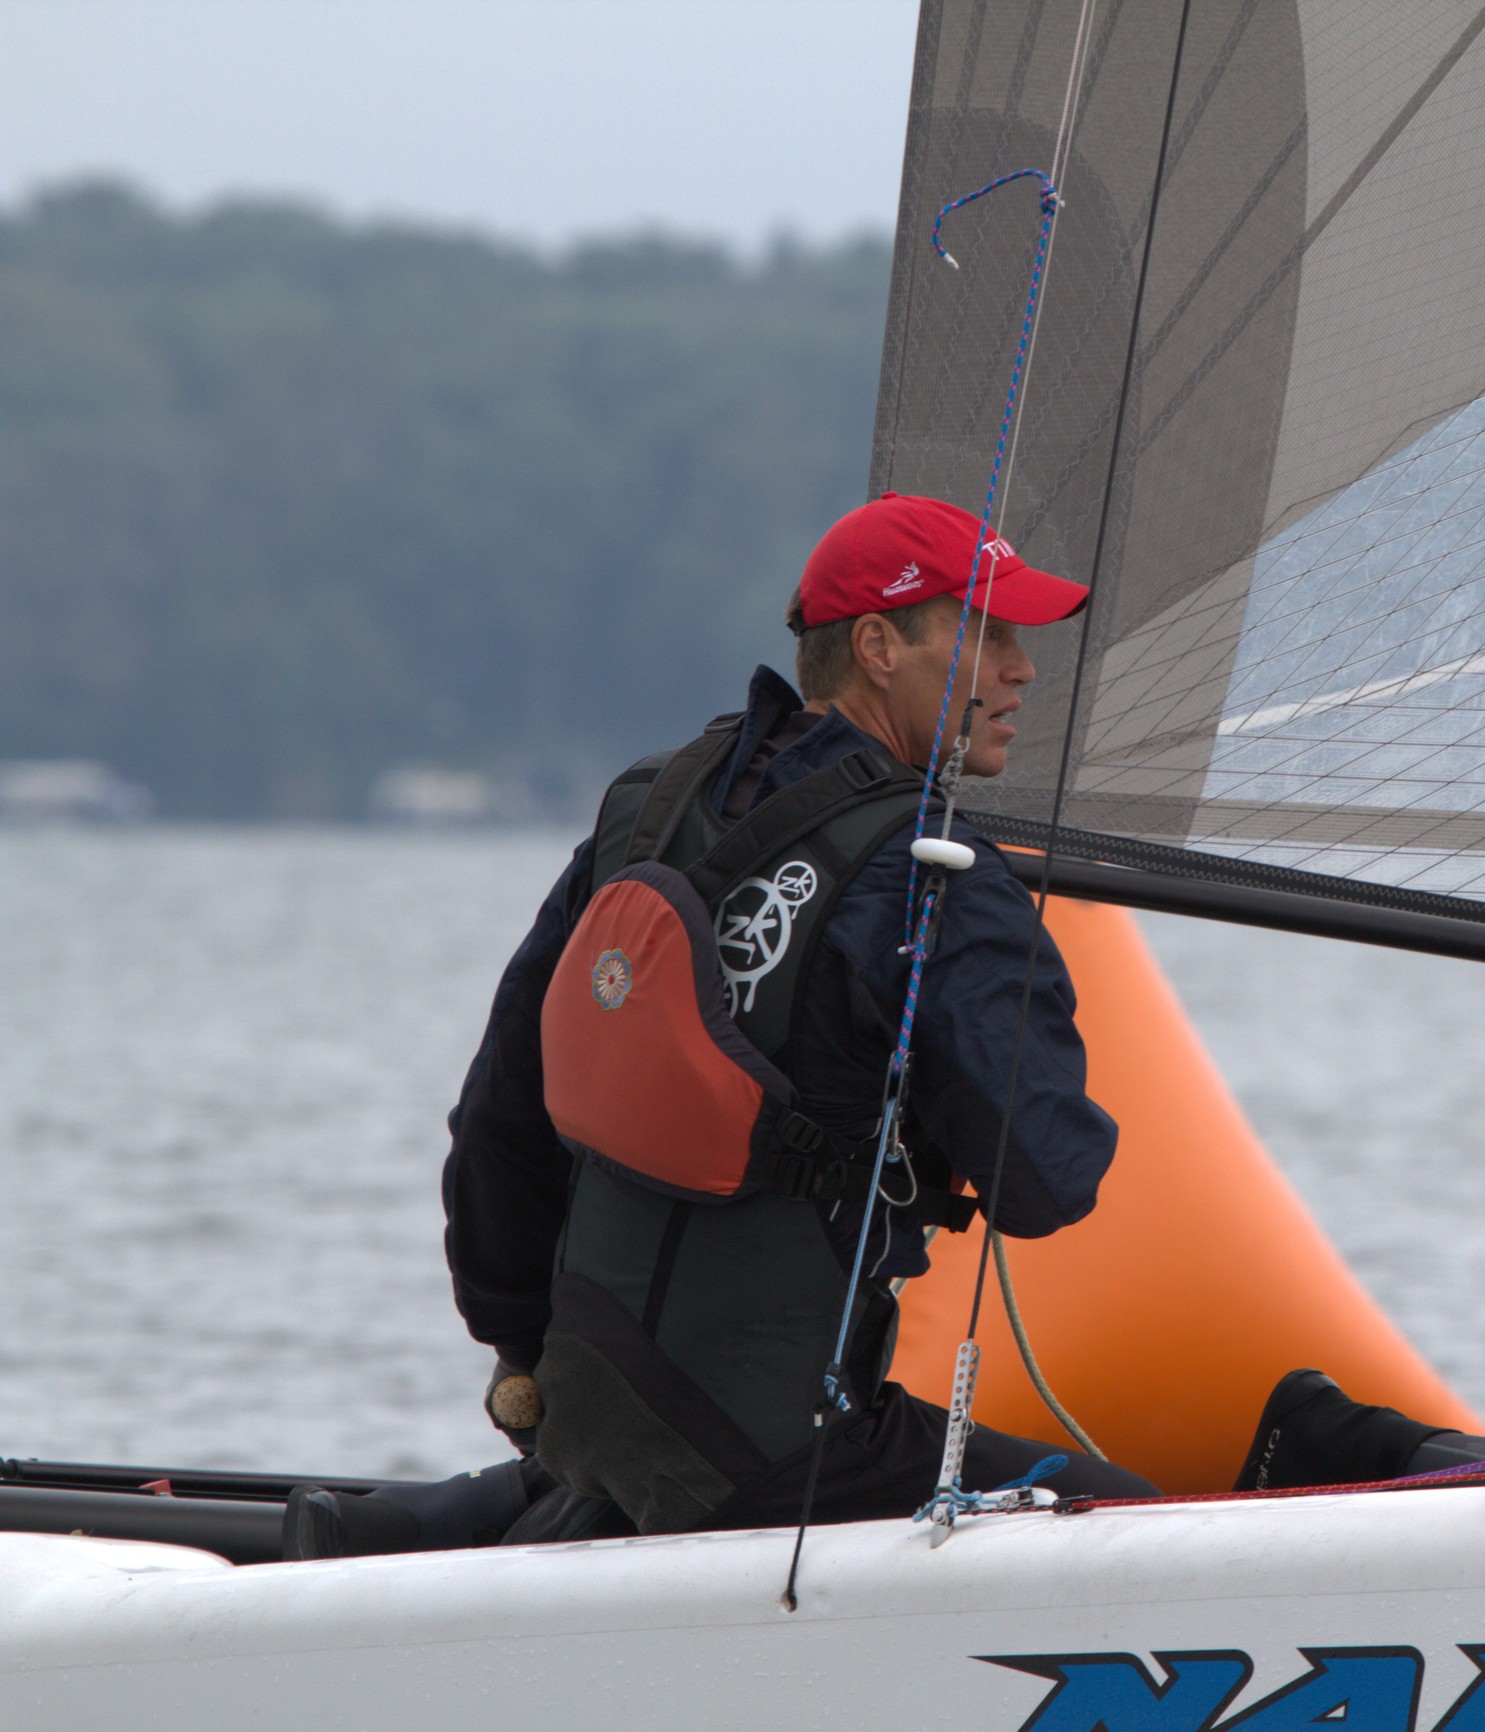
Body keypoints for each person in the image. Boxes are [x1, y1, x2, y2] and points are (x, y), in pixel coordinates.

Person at [288, 493, 1158, 1560]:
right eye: (986, 633)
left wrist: (521, 1351)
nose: (1022, 669)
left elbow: (499, 1118)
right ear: (879, 647)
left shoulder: (647, 806)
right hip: (784, 1457)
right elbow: (1047, 1179)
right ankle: (540, 1505)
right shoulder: (939, 877)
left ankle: (487, 1508)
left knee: (646, 1459)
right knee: (1128, 1516)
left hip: (592, 1400)